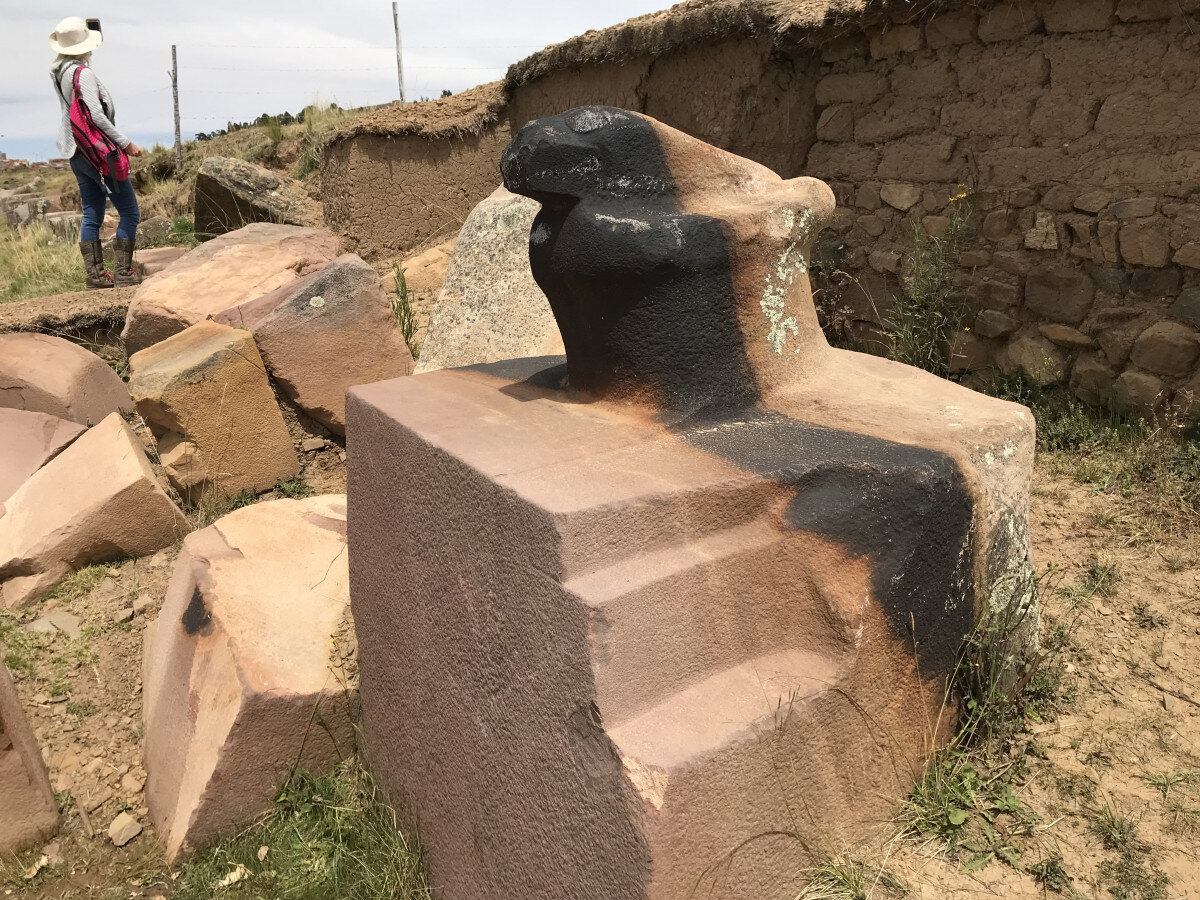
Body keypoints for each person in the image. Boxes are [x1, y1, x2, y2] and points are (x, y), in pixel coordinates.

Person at [49, 16, 144, 290]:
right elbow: (97, 117)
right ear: (84, 46)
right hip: (97, 152)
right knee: (129, 211)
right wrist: (125, 143)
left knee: (92, 212)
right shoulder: (83, 74)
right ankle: (124, 272)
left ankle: (95, 276)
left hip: (75, 151)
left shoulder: (59, 73)